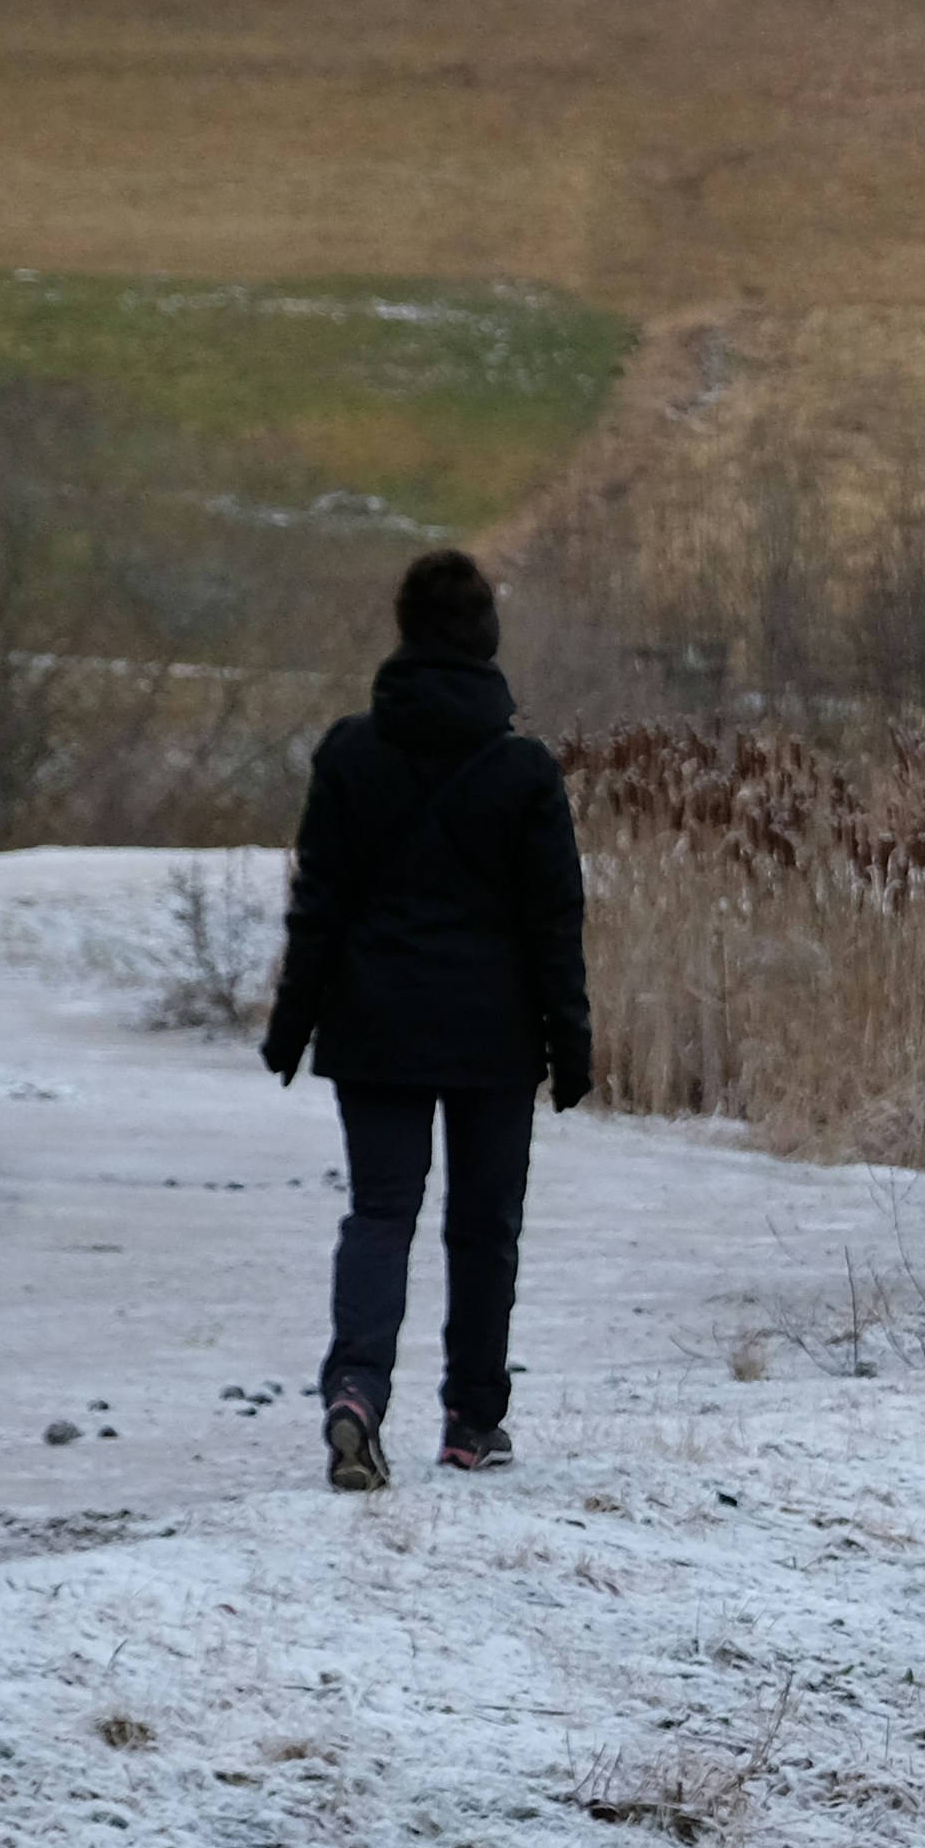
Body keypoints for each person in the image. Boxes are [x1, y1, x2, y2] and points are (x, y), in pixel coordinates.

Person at [264, 549, 592, 1489]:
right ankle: (471, 1422)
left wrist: (291, 1028)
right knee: (483, 1226)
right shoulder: (524, 769)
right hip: (493, 1035)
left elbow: (317, 904)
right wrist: (570, 1045)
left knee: (380, 1214)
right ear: (484, 643)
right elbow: (553, 921)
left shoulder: (350, 753)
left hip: (374, 1028)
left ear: (404, 637)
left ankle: (357, 1393)